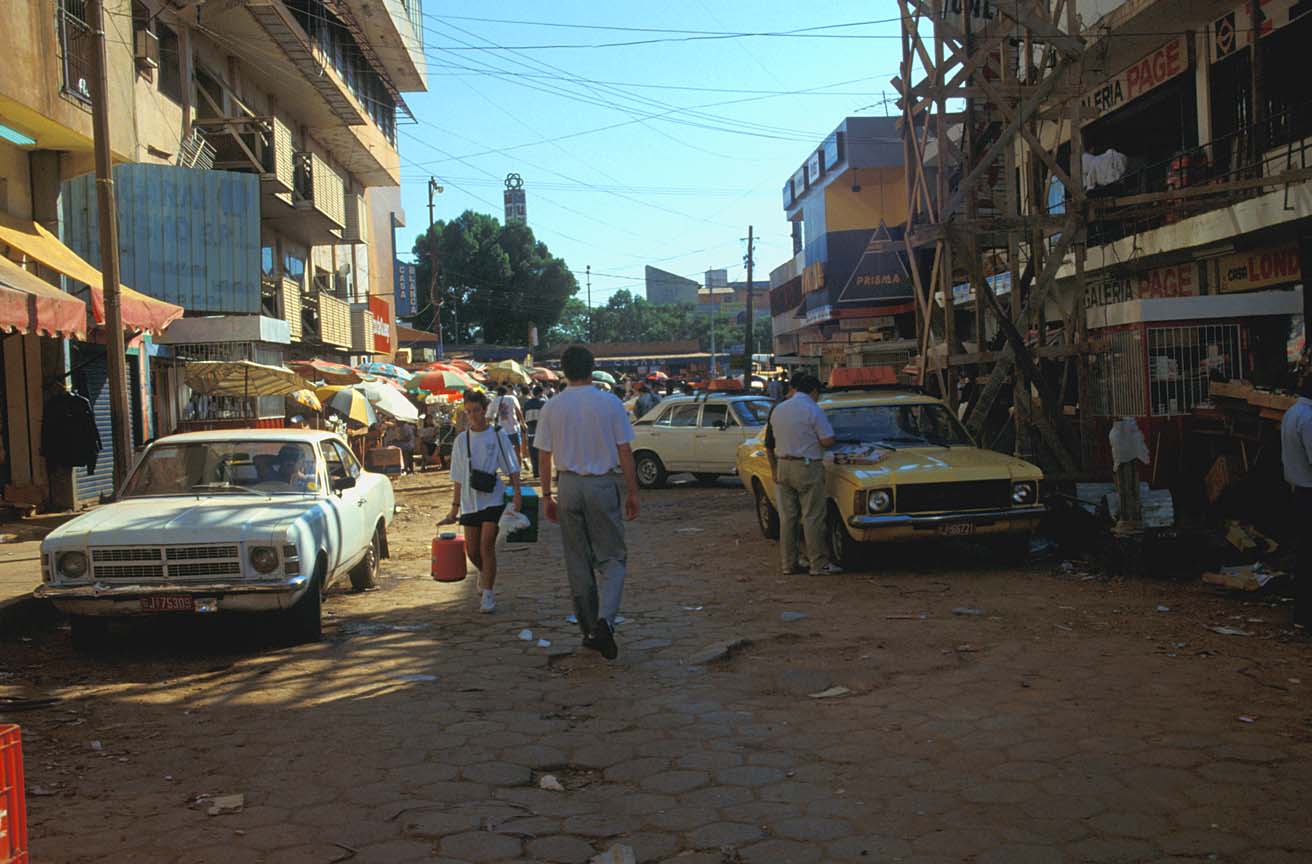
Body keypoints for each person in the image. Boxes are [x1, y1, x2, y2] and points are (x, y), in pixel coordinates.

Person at [536, 345, 640, 660]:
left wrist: (546, 495)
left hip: (567, 485)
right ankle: (604, 623)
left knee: (577, 561)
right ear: (592, 369)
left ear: (564, 371)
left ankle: (588, 631)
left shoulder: (552, 406)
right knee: (612, 559)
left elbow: (544, 455)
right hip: (601, 485)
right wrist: (633, 492)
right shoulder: (610, 403)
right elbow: (624, 452)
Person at [440, 389, 522, 613]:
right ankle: (485, 575)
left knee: (487, 545)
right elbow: (457, 477)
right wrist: (454, 508)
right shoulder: (461, 440)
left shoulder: (497, 435)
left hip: (493, 498)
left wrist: (517, 494)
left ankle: (487, 593)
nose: (473, 415)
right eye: (468, 411)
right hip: (469, 501)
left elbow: (511, 467)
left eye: (476, 410)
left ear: (485, 410)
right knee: (473, 551)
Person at [766, 373, 840, 577]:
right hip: (806, 467)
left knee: (788, 518)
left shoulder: (779, 409)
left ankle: (788, 564)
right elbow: (827, 441)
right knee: (812, 517)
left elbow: (770, 442)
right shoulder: (812, 409)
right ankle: (818, 564)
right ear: (814, 391)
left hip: (783, 466)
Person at [1280, 371, 1312, 632]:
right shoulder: (1309, 418)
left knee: (1304, 555)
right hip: (1308, 490)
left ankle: (1302, 613)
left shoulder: (1292, 413)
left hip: (1297, 490)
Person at [523, 385, 546, 478]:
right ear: (541, 393)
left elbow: (525, 416)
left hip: (530, 430)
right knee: (541, 451)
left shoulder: (527, 403)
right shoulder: (543, 402)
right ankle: (541, 471)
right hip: (541, 430)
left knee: (532, 451)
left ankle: (535, 471)